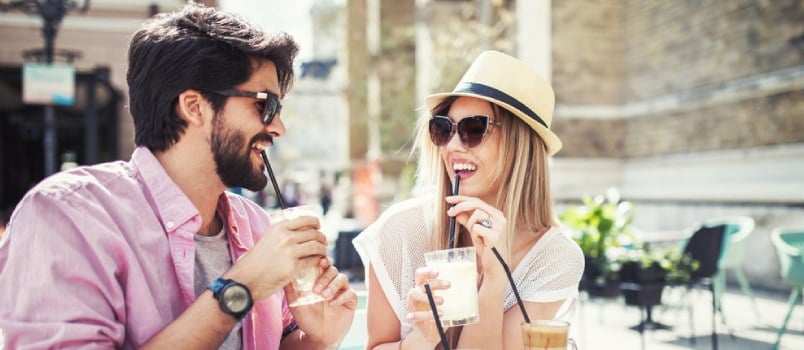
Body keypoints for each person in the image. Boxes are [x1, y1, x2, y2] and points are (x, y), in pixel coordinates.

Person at [0, 3, 356, 349]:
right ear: (194, 106)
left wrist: (317, 339)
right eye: (265, 105)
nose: (278, 127)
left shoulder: (254, 224)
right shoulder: (67, 216)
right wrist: (243, 287)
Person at [353, 50, 584, 349]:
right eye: (444, 129)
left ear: (520, 145)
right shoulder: (399, 231)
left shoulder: (553, 257)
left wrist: (494, 280)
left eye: (473, 129)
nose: (452, 146)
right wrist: (424, 336)